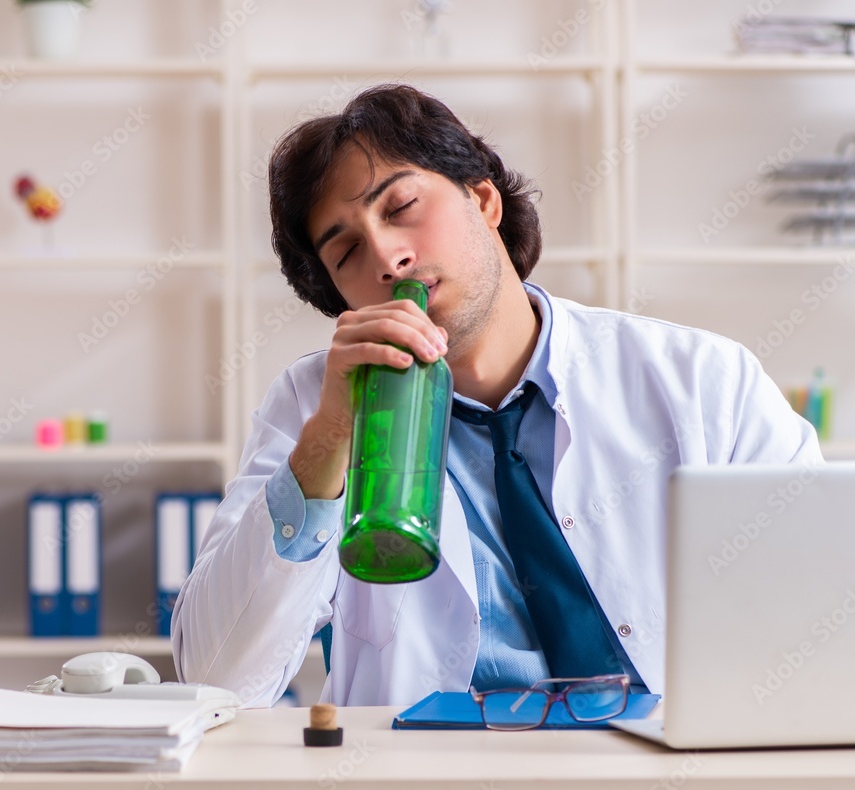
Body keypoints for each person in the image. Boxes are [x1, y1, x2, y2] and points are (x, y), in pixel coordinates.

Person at [172, 83, 822, 708]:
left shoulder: (703, 380)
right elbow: (218, 679)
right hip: (424, 764)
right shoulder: (313, 409)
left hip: (658, 758)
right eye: (346, 252)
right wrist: (332, 438)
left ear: (484, 200)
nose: (388, 258)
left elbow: (818, 612)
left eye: (401, 208)